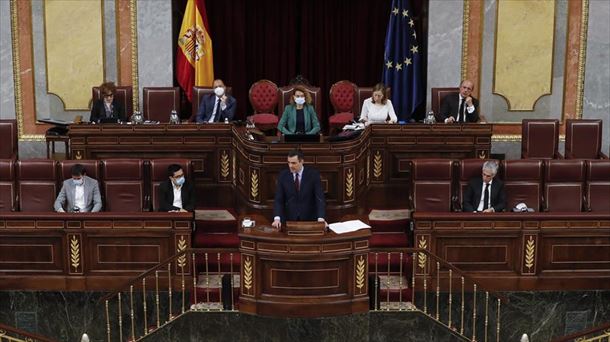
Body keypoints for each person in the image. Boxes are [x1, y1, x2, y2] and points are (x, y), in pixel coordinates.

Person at [272, 149, 326, 229]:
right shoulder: (283, 175)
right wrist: (277, 218)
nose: (290, 166)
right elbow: (278, 199)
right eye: (289, 162)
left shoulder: (313, 175)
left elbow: (320, 199)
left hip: (309, 219)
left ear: (301, 161)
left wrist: (321, 219)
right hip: (289, 220)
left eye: (293, 163)